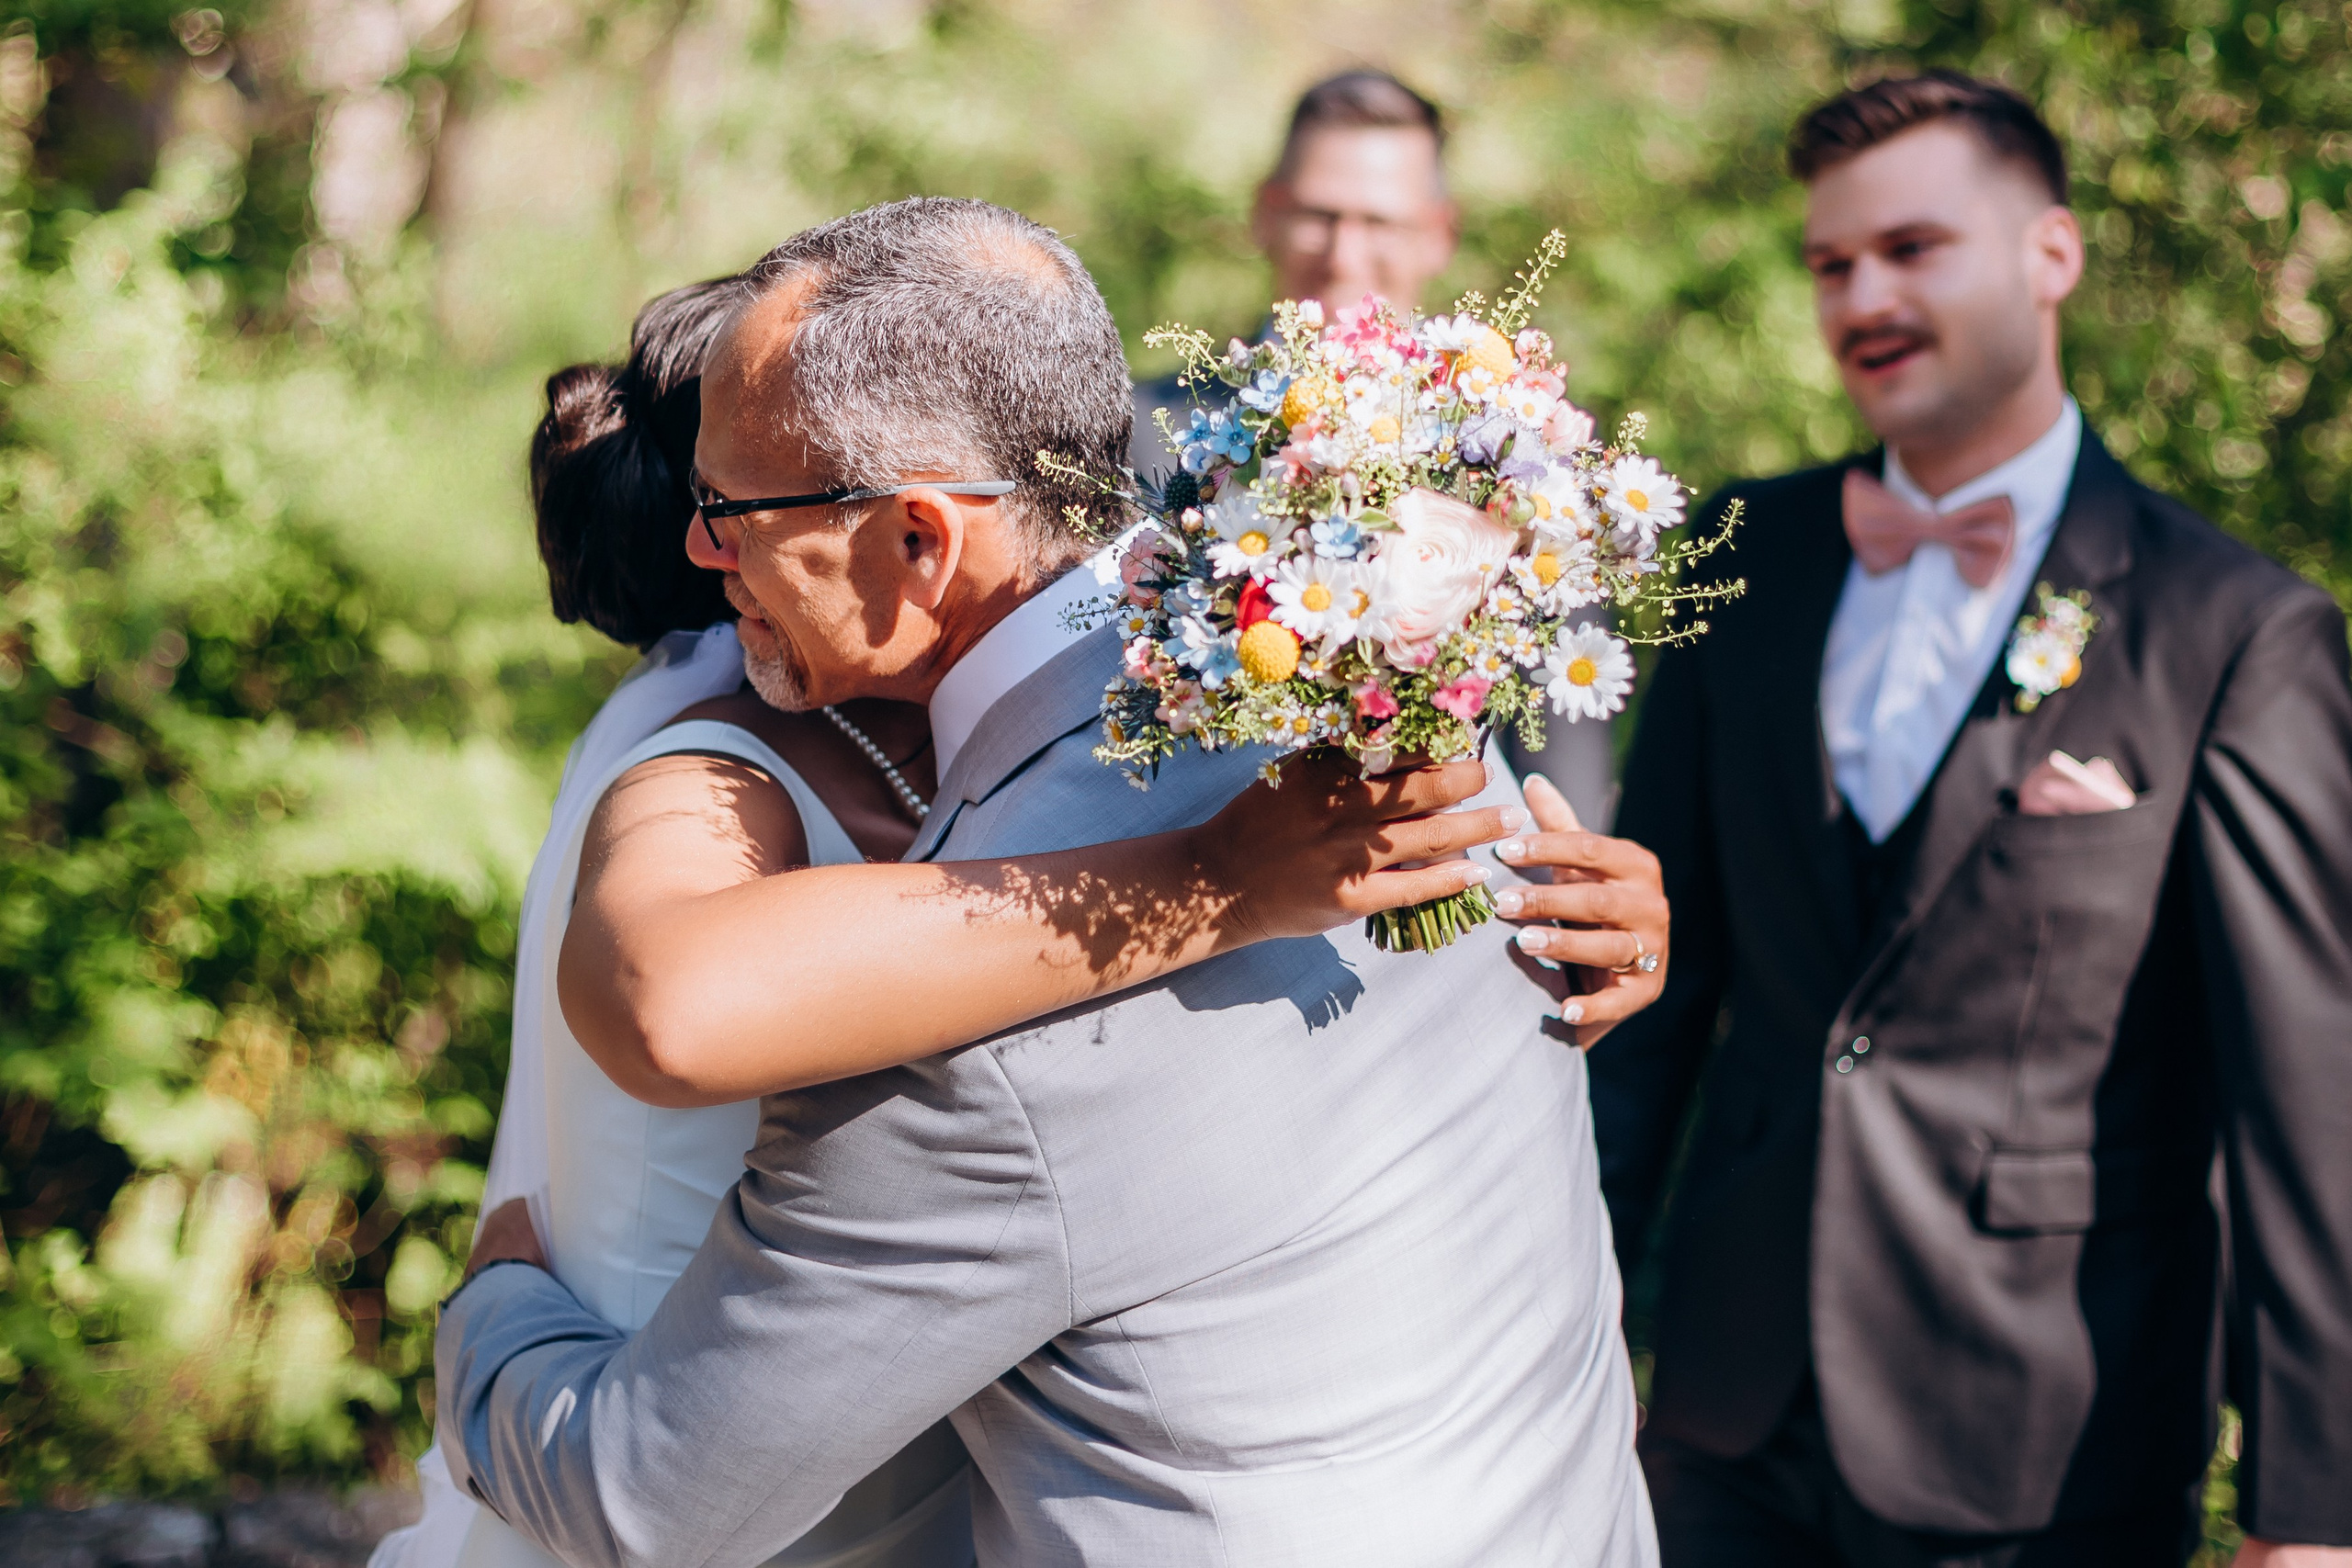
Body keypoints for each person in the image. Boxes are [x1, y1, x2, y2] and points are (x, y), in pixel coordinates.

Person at [436, 196, 1665, 1568]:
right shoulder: (1392, 689)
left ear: (922, 540)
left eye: (729, 512)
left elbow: (649, 1494)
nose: (702, 549)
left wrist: (493, 1311)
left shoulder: (967, 1027)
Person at [1592, 71, 2352, 1568]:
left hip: (2047, 1432)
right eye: (1829, 264)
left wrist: (2316, 1506)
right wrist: (1562, 1322)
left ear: (2049, 255)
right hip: (1725, 1412)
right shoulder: (1742, 552)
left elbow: (2307, 1090)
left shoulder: (2234, 628)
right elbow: (1647, 989)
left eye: (1912, 248)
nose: (1861, 295)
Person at [1133, 67, 1616, 828]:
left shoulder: (1521, 467)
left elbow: (1567, 785)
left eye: (1380, 222)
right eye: (1319, 215)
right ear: (1266, 214)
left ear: (1439, 234)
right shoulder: (1141, 434)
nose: (1343, 252)